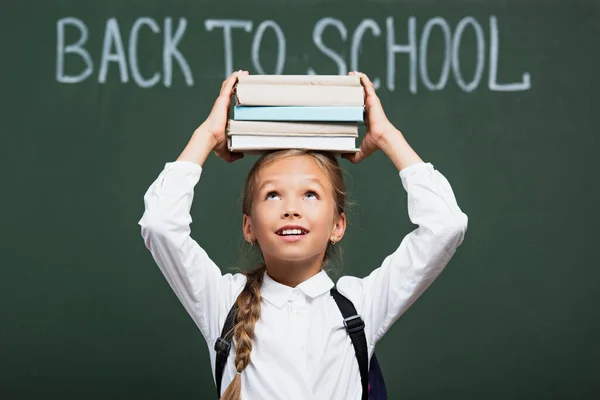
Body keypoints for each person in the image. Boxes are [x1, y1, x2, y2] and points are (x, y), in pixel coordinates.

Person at [138, 70, 468, 400]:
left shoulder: (360, 305)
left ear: (338, 226)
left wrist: (387, 137)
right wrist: (207, 136)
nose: (291, 208)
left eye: (310, 194)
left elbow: (445, 226)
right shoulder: (223, 302)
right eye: (272, 195)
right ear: (248, 227)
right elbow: (160, 224)